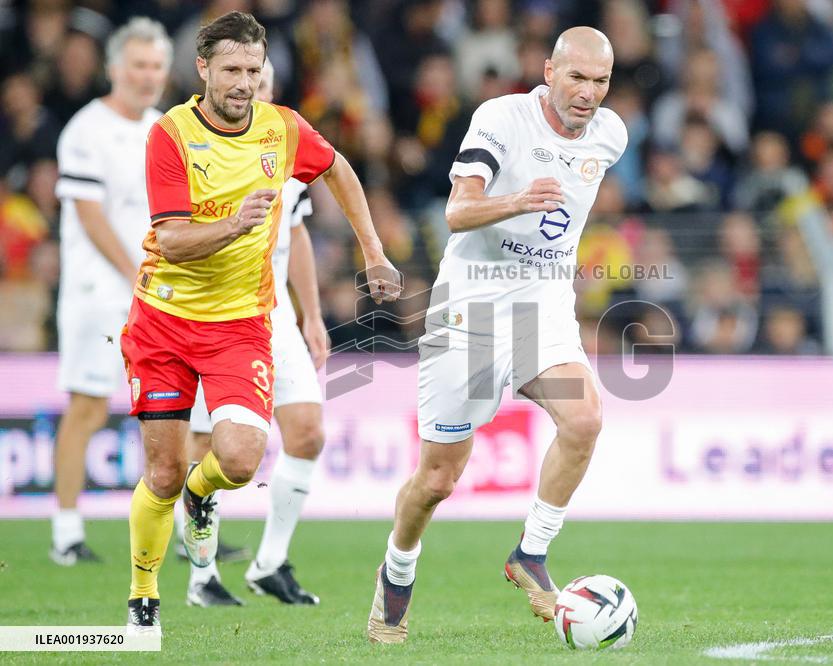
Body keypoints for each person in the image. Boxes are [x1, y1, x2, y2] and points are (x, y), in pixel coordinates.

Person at [123, 11, 398, 630]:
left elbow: (339, 170)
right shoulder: (170, 135)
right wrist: (234, 225)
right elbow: (170, 241)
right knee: (162, 472)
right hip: (164, 319)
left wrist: (373, 250)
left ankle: (204, 493)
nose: (244, 83)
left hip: (241, 323)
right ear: (203, 70)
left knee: (242, 460)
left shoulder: (283, 128)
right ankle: (143, 596)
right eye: (231, 70)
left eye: (253, 70)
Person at [367, 26, 628, 644]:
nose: (587, 94)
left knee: (586, 419)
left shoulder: (611, 135)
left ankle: (530, 553)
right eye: (576, 78)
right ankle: (397, 567)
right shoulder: (501, 119)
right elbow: (457, 211)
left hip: (541, 303)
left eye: (599, 82)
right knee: (437, 480)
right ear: (547, 71)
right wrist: (519, 201)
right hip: (472, 307)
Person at [179, 58, 328, 608]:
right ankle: (201, 577)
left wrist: (310, 314)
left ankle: (269, 563)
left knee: (308, 432)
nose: (250, 90)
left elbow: (298, 232)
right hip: (214, 317)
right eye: (242, 80)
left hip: (275, 318)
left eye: (260, 82)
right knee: (205, 449)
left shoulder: (285, 144)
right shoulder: (196, 148)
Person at [50, 17, 171, 566]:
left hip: (156, 291)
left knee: (167, 411)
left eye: (156, 67)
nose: (148, 77)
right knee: (89, 406)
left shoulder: (166, 129)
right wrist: (133, 272)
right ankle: (66, 531)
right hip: (99, 290)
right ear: (115, 68)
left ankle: (176, 534)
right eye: (139, 66)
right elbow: (89, 214)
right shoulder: (85, 129)